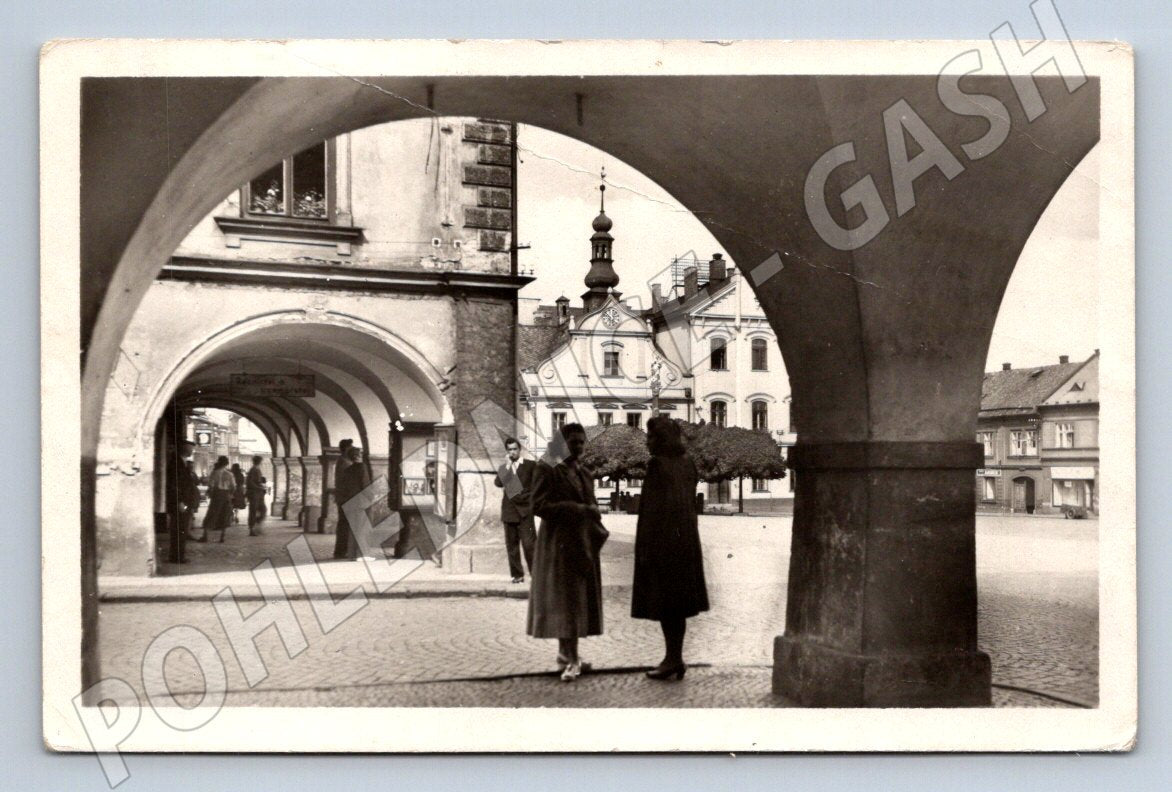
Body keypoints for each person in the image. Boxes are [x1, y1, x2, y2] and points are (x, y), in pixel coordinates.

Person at [526, 423, 608, 682]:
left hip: (582, 541)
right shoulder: (547, 468)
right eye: (574, 442)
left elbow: (590, 503)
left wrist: (592, 512)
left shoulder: (584, 472)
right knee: (566, 600)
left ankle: (567, 655)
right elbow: (538, 505)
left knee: (577, 599)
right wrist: (577, 509)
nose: (579, 447)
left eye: (582, 442)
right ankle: (571, 659)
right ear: (562, 443)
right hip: (558, 543)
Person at [631, 416, 709, 680]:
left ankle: (672, 659)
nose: (647, 440)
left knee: (667, 604)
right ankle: (674, 657)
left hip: (663, 543)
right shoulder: (688, 463)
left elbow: (651, 511)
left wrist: (645, 549)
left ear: (661, 439)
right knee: (678, 605)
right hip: (685, 542)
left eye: (651, 436)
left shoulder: (657, 465)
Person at [493, 436, 537, 583]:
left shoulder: (530, 465)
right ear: (507, 451)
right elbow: (498, 483)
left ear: (520, 449)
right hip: (509, 512)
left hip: (525, 512)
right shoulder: (504, 467)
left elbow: (537, 485)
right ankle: (517, 575)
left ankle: (536, 576)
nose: (512, 452)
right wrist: (506, 467)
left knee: (529, 546)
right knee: (512, 547)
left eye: (515, 449)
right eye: (509, 450)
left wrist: (527, 498)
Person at [165, 440, 202, 562]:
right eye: (191, 449)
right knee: (179, 530)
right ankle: (177, 557)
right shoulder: (176, 462)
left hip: (183, 502)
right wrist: (179, 501)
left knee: (180, 530)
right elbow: (174, 484)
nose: (192, 451)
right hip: (180, 503)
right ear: (185, 449)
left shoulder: (181, 461)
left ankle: (178, 556)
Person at [200, 456, 235, 543]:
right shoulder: (230, 474)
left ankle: (205, 536)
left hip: (217, 495)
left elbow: (211, 486)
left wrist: (211, 495)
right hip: (226, 495)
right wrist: (230, 494)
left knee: (211, 514)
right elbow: (233, 487)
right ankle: (222, 537)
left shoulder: (214, 473)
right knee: (224, 515)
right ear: (227, 464)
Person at [332, 439, 355, 558]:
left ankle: (341, 550)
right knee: (345, 525)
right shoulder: (345, 462)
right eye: (351, 447)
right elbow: (348, 481)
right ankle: (342, 551)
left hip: (342, 497)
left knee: (343, 524)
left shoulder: (342, 461)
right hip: (346, 498)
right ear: (346, 448)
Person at [246, 455, 267, 536]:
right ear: (259, 461)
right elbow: (250, 482)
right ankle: (252, 528)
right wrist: (259, 487)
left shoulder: (255, 469)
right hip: (255, 493)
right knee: (255, 511)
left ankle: (255, 526)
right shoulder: (254, 470)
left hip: (257, 493)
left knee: (261, 510)